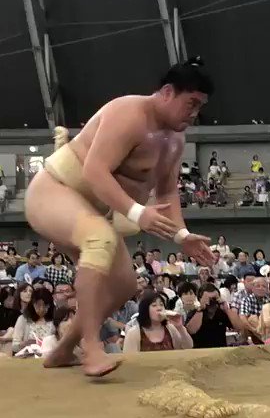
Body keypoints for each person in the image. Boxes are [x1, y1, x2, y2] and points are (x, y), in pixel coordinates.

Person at [24, 58, 216, 378]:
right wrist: (137, 213)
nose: (195, 112)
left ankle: (63, 350)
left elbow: (167, 193)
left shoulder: (174, 140)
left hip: (93, 211)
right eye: (191, 103)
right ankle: (92, 348)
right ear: (168, 92)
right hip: (54, 192)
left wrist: (182, 236)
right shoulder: (128, 113)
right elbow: (94, 170)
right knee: (99, 237)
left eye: (200, 106)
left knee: (123, 284)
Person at [123, 291, 193, 352]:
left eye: (161, 305)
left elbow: (188, 347)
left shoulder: (170, 329)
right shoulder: (134, 333)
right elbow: (130, 359)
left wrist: (180, 327)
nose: (159, 308)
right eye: (154, 305)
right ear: (145, 310)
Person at [186, 283, 232, 348]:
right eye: (209, 298)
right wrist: (201, 309)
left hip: (220, 350)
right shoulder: (195, 312)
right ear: (199, 299)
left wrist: (227, 309)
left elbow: (238, 327)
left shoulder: (221, 312)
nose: (212, 301)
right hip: (201, 351)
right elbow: (191, 331)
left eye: (214, 298)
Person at [13, 288, 54, 355]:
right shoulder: (23, 319)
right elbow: (14, 346)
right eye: (38, 305)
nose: (42, 309)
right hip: (28, 358)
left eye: (46, 305)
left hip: (49, 357)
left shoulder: (54, 321)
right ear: (32, 304)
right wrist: (25, 344)